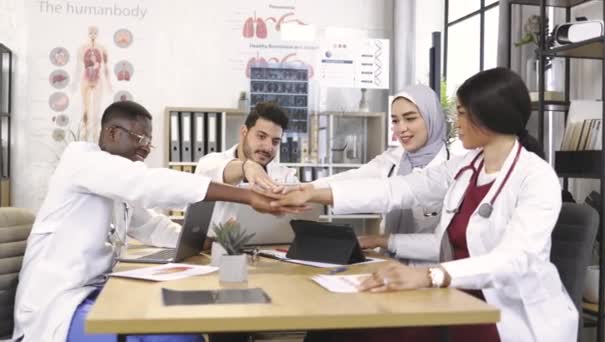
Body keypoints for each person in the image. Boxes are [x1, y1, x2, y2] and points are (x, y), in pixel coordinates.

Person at [272, 68, 577, 341]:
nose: (455, 122)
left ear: (486, 117)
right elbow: (400, 189)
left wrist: (429, 275)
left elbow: (514, 259)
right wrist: (311, 192)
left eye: (460, 113)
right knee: (345, 331)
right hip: (451, 296)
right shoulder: (464, 167)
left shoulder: (536, 177)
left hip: (503, 312)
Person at [12, 101, 296, 342]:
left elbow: (150, 225)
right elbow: (149, 184)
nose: (147, 149)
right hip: (57, 307)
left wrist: (205, 243)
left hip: (91, 293)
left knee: (183, 325)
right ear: (111, 132)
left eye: (149, 141)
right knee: (178, 335)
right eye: (141, 140)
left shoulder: (111, 180)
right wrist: (246, 197)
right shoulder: (82, 161)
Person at [310, 84, 460, 265]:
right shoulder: (391, 159)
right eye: (395, 121)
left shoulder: (455, 169)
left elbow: (449, 244)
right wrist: (303, 189)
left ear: (432, 118)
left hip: (430, 273)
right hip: (387, 264)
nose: (401, 128)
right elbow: (352, 180)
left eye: (410, 118)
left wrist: (382, 240)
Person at [195, 102, 299, 231]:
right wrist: (247, 167)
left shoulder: (285, 176)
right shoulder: (211, 162)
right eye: (261, 136)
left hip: (267, 248)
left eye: (275, 141)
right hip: (212, 249)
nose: (268, 147)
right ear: (244, 132)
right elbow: (212, 170)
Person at [74, 26, 111, 142]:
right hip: (85, 78)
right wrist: (74, 82)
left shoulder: (103, 49)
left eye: (95, 33)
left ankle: (95, 138)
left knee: (96, 110)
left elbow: (105, 67)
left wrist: (109, 83)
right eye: (91, 32)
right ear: (88, 33)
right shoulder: (82, 49)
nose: (93, 35)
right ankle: (84, 137)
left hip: (98, 79)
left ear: (98, 34)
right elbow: (78, 67)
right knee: (85, 109)